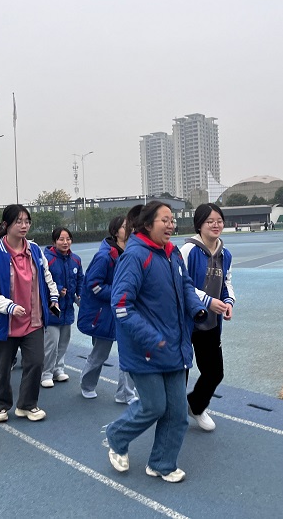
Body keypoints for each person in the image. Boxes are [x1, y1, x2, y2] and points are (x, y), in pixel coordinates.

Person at [106, 201, 207, 483]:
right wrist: (151, 337)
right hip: (145, 349)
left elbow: (186, 286)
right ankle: (117, 435)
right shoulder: (135, 256)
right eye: (165, 220)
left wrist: (196, 308)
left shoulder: (172, 253)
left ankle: (162, 463)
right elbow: (121, 305)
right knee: (153, 406)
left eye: (172, 219)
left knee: (178, 414)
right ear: (148, 224)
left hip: (173, 346)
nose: (171, 224)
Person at [0, 205, 59, 423]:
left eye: (27, 221)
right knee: (1, 367)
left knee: (36, 362)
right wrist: (9, 306)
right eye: (18, 221)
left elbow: (46, 275)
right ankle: (1, 405)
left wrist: (53, 297)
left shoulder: (35, 250)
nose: (24, 226)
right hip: (6, 321)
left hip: (33, 319)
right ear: (6, 225)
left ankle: (27, 405)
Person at [179, 204, 235, 432]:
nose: (215, 225)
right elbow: (181, 283)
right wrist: (207, 300)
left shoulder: (225, 254)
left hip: (210, 323)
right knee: (180, 373)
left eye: (219, 220)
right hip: (185, 322)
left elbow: (227, 282)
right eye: (210, 221)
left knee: (214, 372)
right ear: (199, 225)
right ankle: (173, 414)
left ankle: (195, 406)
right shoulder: (188, 250)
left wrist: (228, 302)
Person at [78, 216, 138, 403]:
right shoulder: (104, 256)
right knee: (100, 354)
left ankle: (125, 394)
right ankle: (87, 385)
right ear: (115, 231)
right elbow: (93, 285)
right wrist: (119, 293)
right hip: (105, 314)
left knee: (129, 353)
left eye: (131, 226)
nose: (130, 230)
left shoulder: (134, 254)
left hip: (127, 312)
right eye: (125, 227)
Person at [40, 227, 83, 388]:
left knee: (63, 341)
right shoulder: (47, 259)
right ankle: (46, 373)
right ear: (54, 241)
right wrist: (57, 290)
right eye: (61, 239)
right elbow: (41, 282)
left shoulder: (76, 260)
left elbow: (80, 280)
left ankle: (58, 369)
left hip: (68, 309)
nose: (65, 242)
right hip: (52, 307)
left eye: (68, 239)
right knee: (51, 342)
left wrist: (80, 295)